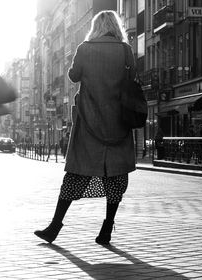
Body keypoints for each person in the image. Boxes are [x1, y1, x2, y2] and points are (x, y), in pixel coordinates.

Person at [34, 10, 136, 246]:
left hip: (89, 121)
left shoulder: (84, 48)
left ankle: (54, 227)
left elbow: (73, 76)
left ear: (95, 27)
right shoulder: (125, 50)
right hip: (118, 122)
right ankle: (106, 230)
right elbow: (133, 79)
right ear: (116, 27)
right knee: (116, 177)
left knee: (76, 175)